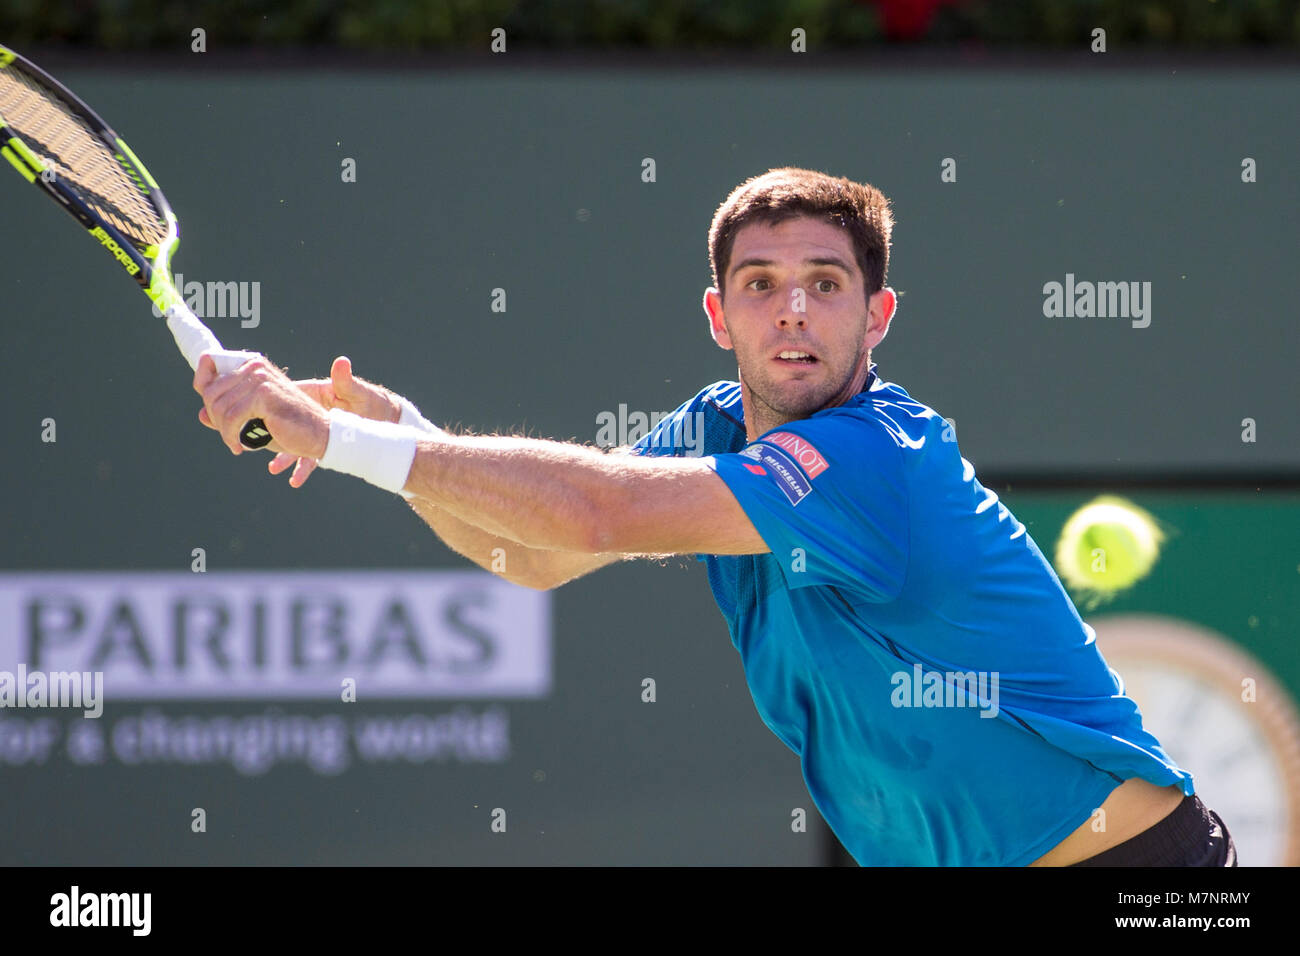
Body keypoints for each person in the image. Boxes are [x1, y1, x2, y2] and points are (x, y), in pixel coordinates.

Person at [193, 166, 1235, 866]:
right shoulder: (712, 427)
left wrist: (338, 439)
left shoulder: (879, 455)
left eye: (825, 284)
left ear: (876, 315)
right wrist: (393, 445)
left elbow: (597, 511)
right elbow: (536, 554)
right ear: (718, 312)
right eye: (760, 283)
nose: (791, 308)